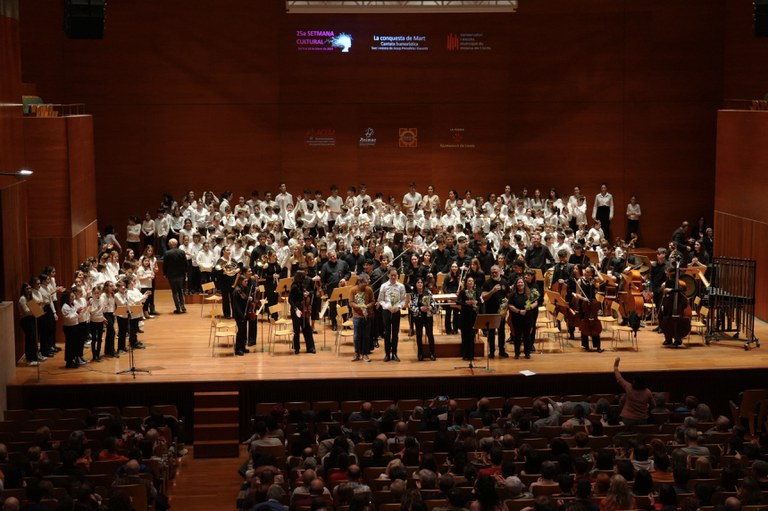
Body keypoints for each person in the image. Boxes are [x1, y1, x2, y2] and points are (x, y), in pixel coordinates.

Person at [613, 357, 655, 426]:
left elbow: (619, 379)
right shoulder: (648, 392)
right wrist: (646, 408)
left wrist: (615, 367)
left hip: (627, 419)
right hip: (642, 419)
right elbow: (653, 405)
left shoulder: (629, 388)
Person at [480, 265, 510, 359]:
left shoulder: (504, 282)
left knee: (502, 332)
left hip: (501, 312)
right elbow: (484, 297)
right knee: (491, 332)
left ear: (500, 271)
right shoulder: (487, 283)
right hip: (490, 311)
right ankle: (492, 351)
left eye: (496, 271)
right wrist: (492, 291)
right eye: (492, 272)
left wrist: (506, 310)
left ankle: (502, 350)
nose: (494, 273)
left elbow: (508, 297)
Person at [378, 267, 406, 362]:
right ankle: (387, 354)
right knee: (386, 333)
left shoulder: (401, 286)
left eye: (395, 275)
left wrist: (398, 307)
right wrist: (387, 306)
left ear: (397, 276)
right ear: (388, 275)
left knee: (395, 333)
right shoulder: (384, 286)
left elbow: (403, 300)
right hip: (386, 311)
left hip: (396, 311)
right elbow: (380, 300)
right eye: (392, 275)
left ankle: (394, 353)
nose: (393, 277)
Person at [573, 266, 604, 352]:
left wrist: (596, 269)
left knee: (594, 323)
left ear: (591, 274)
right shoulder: (579, 281)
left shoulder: (593, 281)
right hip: (583, 304)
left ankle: (597, 346)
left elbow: (602, 279)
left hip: (593, 304)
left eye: (587, 272)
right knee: (585, 323)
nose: (585, 273)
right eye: (585, 271)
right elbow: (577, 294)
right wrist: (584, 299)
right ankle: (585, 345)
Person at [321, 250, 350, 331]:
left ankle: (345, 322)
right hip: (331, 289)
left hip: (342, 287)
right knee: (333, 306)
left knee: (344, 304)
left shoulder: (343, 263)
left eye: (334, 256)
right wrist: (325, 292)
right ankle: (334, 323)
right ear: (329, 257)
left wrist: (345, 279)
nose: (333, 258)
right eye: (331, 257)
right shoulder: (325, 266)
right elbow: (323, 280)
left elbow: (348, 273)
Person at [288, 270, 316, 355]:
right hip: (296, 310)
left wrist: (307, 293)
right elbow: (290, 300)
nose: (305, 279)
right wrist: (296, 309)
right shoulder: (294, 287)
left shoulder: (301, 285)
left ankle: (310, 347)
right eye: (303, 278)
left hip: (303, 309)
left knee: (307, 328)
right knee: (296, 330)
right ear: (300, 277)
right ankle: (296, 348)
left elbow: (308, 293)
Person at [410, 277, 438, 361]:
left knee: (430, 335)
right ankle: (420, 354)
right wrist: (420, 309)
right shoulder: (413, 294)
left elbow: (433, 302)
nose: (420, 284)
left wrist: (430, 307)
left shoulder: (428, 292)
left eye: (421, 282)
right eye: (418, 282)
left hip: (428, 316)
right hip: (418, 317)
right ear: (415, 284)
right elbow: (411, 306)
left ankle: (432, 353)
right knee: (419, 336)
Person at [507, 276, 535, 359]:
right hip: (517, 317)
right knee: (517, 336)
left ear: (524, 284)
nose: (520, 284)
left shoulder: (529, 293)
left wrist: (530, 307)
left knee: (527, 336)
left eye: (521, 282)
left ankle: (527, 353)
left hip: (527, 317)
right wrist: (519, 311)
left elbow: (535, 302)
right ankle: (517, 353)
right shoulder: (513, 295)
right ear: (516, 284)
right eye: (518, 282)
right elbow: (510, 305)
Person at [349, 273, 375, 362]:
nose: (366, 284)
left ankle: (365, 354)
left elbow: (373, 301)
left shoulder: (369, 290)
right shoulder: (353, 290)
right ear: (360, 282)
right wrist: (359, 306)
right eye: (365, 282)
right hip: (357, 316)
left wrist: (367, 306)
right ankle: (356, 353)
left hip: (367, 316)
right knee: (357, 336)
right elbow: (351, 302)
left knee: (366, 336)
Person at [163, 238, 187, 314]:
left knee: (174, 292)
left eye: (169, 243)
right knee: (181, 290)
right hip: (181, 275)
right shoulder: (182, 252)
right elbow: (186, 264)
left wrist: (164, 274)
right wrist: (185, 273)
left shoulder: (167, 253)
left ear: (171, 244)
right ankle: (182, 306)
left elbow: (165, 265)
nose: (168, 245)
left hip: (171, 276)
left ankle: (178, 308)